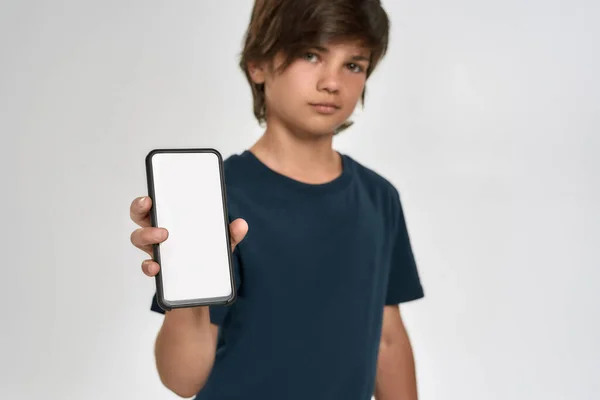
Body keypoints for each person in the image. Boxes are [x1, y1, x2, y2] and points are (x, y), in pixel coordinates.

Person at [129, 0, 425, 399]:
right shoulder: (221, 198)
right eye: (310, 55)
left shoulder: (379, 198)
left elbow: (388, 338)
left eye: (353, 65)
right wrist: (183, 286)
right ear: (258, 65)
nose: (332, 82)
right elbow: (183, 380)